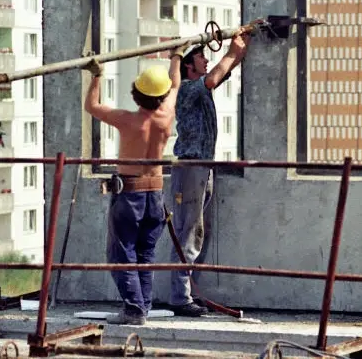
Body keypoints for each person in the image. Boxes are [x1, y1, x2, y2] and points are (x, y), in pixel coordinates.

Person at [83, 45, 185, 325]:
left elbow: (91, 106)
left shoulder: (128, 120)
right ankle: (142, 307)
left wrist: (96, 75)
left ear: (136, 93)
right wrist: (176, 56)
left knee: (122, 252)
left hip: (129, 194)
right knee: (145, 254)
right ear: (161, 95)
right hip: (155, 194)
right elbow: (175, 83)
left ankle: (134, 310)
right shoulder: (167, 116)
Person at [168, 31, 251, 317]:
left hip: (201, 166)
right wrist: (230, 51)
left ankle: (184, 293)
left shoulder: (197, 89)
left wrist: (239, 49)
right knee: (188, 232)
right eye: (202, 57)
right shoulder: (188, 88)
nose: (206, 60)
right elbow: (215, 77)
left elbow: (222, 72)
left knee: (193, 231)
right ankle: (180, 298)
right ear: (189, 65)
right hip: (192, 166)